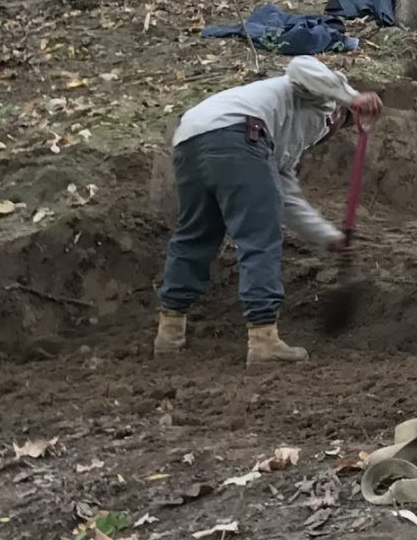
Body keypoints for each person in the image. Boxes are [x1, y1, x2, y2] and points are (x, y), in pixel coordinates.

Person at [153, 56, 382, 365]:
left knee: (196, 234)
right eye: (343, 123)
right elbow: (300, 66)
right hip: (240, 132)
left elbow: (287, 196)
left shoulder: (286, 138)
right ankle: (263, 341)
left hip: (191, 138)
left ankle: (170, 333)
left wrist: (330, 237)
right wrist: (351, 96)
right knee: (260, 235)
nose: (337, 130)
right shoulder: (321, 98)